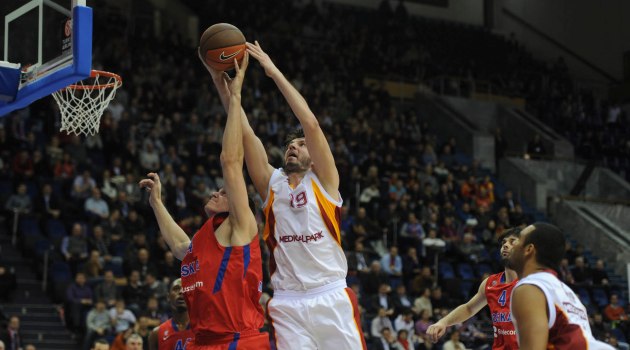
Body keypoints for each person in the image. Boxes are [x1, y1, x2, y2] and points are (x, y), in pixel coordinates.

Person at [202, 40, 365, 349]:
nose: (294, 146)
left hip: (330, 294)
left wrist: (271, 70)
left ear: (314, 158)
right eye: (291, 144)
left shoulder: (325, 182)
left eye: (301, 145)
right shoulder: (271, 183)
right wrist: (221, 85)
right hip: (288, 302)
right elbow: (245, 132)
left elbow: (311, 123)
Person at [141, 53, 268, 349]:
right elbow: (179, 246)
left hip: (238, 340)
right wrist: (157, 203)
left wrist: (234, 95)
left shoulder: (241, 223)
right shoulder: (204, 237)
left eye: (224, 192)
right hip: (203, 341)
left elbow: (231, 161)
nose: (216, 192)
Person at [506, 222, 614, 349]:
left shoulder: (530, 289)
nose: (510, 244)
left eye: (517, 240)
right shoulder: (568, 293)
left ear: (529, 249)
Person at [427, 228, 521, 349]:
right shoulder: (490, 283)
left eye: (512, 241)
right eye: (504, 243)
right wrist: (443, 322)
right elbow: (468, 309)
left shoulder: (532, 283)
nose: (506, 245)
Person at [148, 279, 193, 350]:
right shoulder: (156, 334)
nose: (181, 292)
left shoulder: (203, 329)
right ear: (168, 297)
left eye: (186, 289)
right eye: (176, 289)